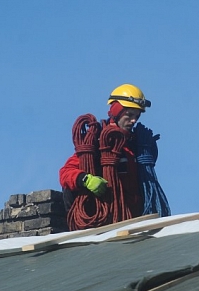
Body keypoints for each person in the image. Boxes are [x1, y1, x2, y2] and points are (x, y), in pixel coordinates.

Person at [59, 84, 169, 230]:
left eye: (136, 116)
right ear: (116, 112)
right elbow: (66, 173)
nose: (133, 120)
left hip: (134, 219)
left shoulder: (135, 146)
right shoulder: (97, 142)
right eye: (129, 115)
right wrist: (85, 179)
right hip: (104, 219)